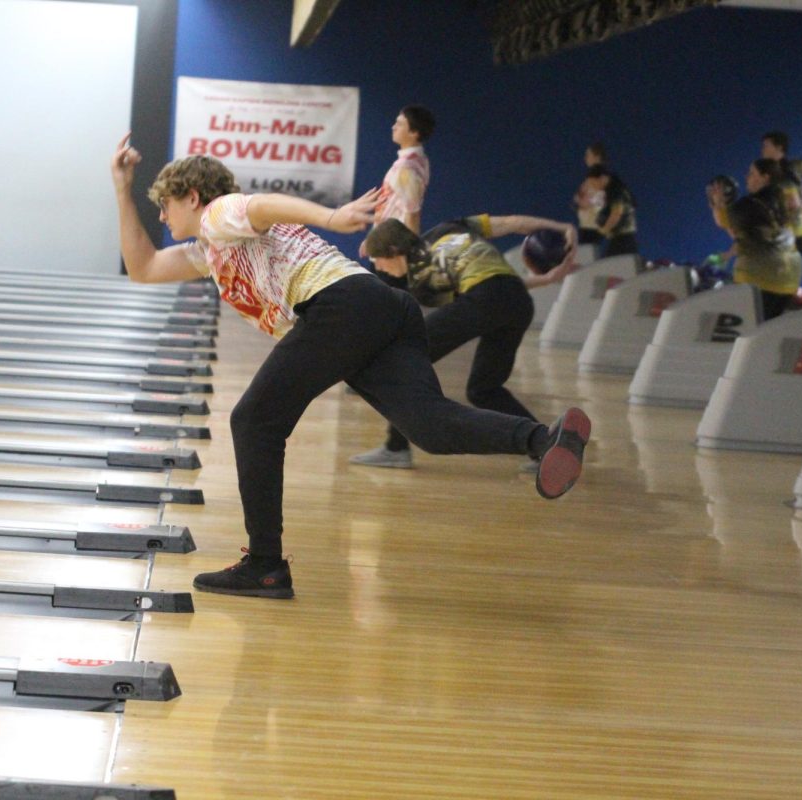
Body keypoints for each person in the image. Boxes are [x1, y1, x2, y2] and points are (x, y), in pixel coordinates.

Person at [110, 134, 591, 599]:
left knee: (254, 421)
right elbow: (143, 267)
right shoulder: (209, 249)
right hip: (381, 306)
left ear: (192, 197)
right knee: (430, 427)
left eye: (165, 204)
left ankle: (265, 566)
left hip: (338, 306)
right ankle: (546, 439)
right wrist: (121, 189)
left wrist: (331, 216)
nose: (161, 214)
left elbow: (260, 204)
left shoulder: (219, 214)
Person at [349, 214, 577, 470]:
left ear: (394, 251)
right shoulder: (448, 226)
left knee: (404, 360)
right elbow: (511, 224)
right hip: (519, 301)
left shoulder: (421, 277)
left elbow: (484, 293)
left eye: (377, 260)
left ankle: (396, 448)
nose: (379, 267)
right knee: (483, 389)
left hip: (486, 299)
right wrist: (562, 226)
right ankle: (548, 444)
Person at [712, 159, 802, 320]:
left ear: (765, 178)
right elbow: (749, 238)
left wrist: (717, 201)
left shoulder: (750, 204)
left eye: (752, 173)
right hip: (790, 278)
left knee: (749, 329)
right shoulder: (781, 200)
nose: (747, 177)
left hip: (763, 277)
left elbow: (723, 220)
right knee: (767, 330)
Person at [358, 105, 434, 260]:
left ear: (414, 133)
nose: (393, 127)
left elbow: (412, 214)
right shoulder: (418, 161)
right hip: (387, 244)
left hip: (391, 251)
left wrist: (410, 254)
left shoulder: (407, 168)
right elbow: (393, 205)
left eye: (399, 124)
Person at [760, 132, 802, 256]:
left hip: (790, 236)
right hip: (784, 235)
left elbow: (795, 204)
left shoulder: (786, 174)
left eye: (766, 146)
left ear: (779, 148)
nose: (762, 150)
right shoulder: (773, 173)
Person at [585, 166, 638, 256]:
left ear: (602, 178)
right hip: (624, 239)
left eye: (593, 183)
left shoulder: (616, 191)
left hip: (623, 240)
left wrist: (602, 232)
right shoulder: (616, 190)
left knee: (607, 266)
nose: (593, 186)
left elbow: (616, 215)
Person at [574, 142, 608, 249]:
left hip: (591, 226)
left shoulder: (597, 174)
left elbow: (601, 200)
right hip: (589, 226)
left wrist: (583, 203)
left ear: (597, 157)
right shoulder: (595, 175)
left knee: (584, 255)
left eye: (588, 155)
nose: (585, 158)